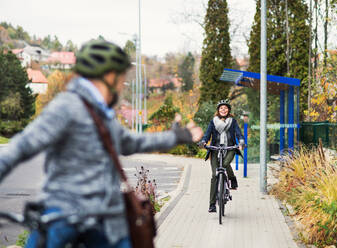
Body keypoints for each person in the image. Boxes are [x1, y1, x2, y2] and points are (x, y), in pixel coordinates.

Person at [0, 39, 203, 248]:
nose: (121, 84)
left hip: (104, 218)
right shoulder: (67, 106)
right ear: (109, 75)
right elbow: (20, 147)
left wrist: (176, 137)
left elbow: (129, 142)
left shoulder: (100, 112)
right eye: (121, 77)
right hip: (66, 216)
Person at [199, 99, 245, 213]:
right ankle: (212, 204)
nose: (223, 110)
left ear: (228, 110)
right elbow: (207, 134)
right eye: (221, 108)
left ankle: (232, 178)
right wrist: (204, 141)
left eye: (225, 108)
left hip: (229, 148)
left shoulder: (232, 122)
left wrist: (241, 142)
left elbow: (238, 133)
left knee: (224, 164)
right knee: (215, 175)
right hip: (215, 149)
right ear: (218, 110)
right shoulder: (213, 122)